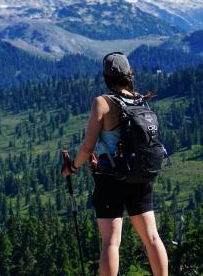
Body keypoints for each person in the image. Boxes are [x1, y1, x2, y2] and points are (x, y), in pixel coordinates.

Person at [62, 52, 169, 276]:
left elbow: (87, 148)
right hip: (140, 175)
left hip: (110, 179)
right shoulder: (140, 100)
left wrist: (73, 167)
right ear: (129, 73)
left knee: (111, 242)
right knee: (151, 237)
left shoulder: (103, 103)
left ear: (106, 77)